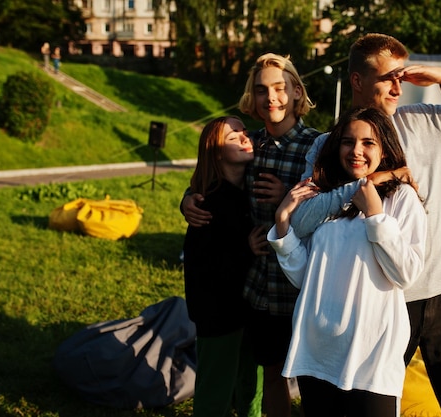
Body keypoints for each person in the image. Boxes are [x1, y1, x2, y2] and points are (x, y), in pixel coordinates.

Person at [289, 33, 441, 417]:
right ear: (358, 82)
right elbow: (304, 221)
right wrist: (364, 187)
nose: (399, 86)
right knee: (374, 403)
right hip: (383, 297)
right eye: (388, 77)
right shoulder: (333, 145)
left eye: (402, 76)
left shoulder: (434, 123)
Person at [181, 53, 321, 417]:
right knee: (269, 374)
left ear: (296, 92)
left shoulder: (317, 146)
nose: (270, 97)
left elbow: (336, 210)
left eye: (279, 88)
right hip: (257, 288)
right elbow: (213, 171)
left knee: (314, 380)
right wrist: (187, 199)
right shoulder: (251, 143)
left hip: (306, 286)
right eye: (261, 90)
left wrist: (287, 201)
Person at [267, 107, 426, 417]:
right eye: (348, 141)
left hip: (371, 354)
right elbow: (306, 277)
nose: (356, 151)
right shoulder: (324, 198)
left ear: (385, 149)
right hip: (318, 348)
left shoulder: (401, 198)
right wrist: (283, 222)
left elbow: (406, 274)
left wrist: (376, 215)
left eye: (368, 142)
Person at [183, 115, 262, 417]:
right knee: (215, 392)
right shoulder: (207, 203)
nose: (244, 138)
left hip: (250, 309)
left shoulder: (250, 191)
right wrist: (247, 249)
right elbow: (204, 268)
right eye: (233, 137)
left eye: (244, 132)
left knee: (249, 386)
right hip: (218, 316)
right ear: (216, 152)